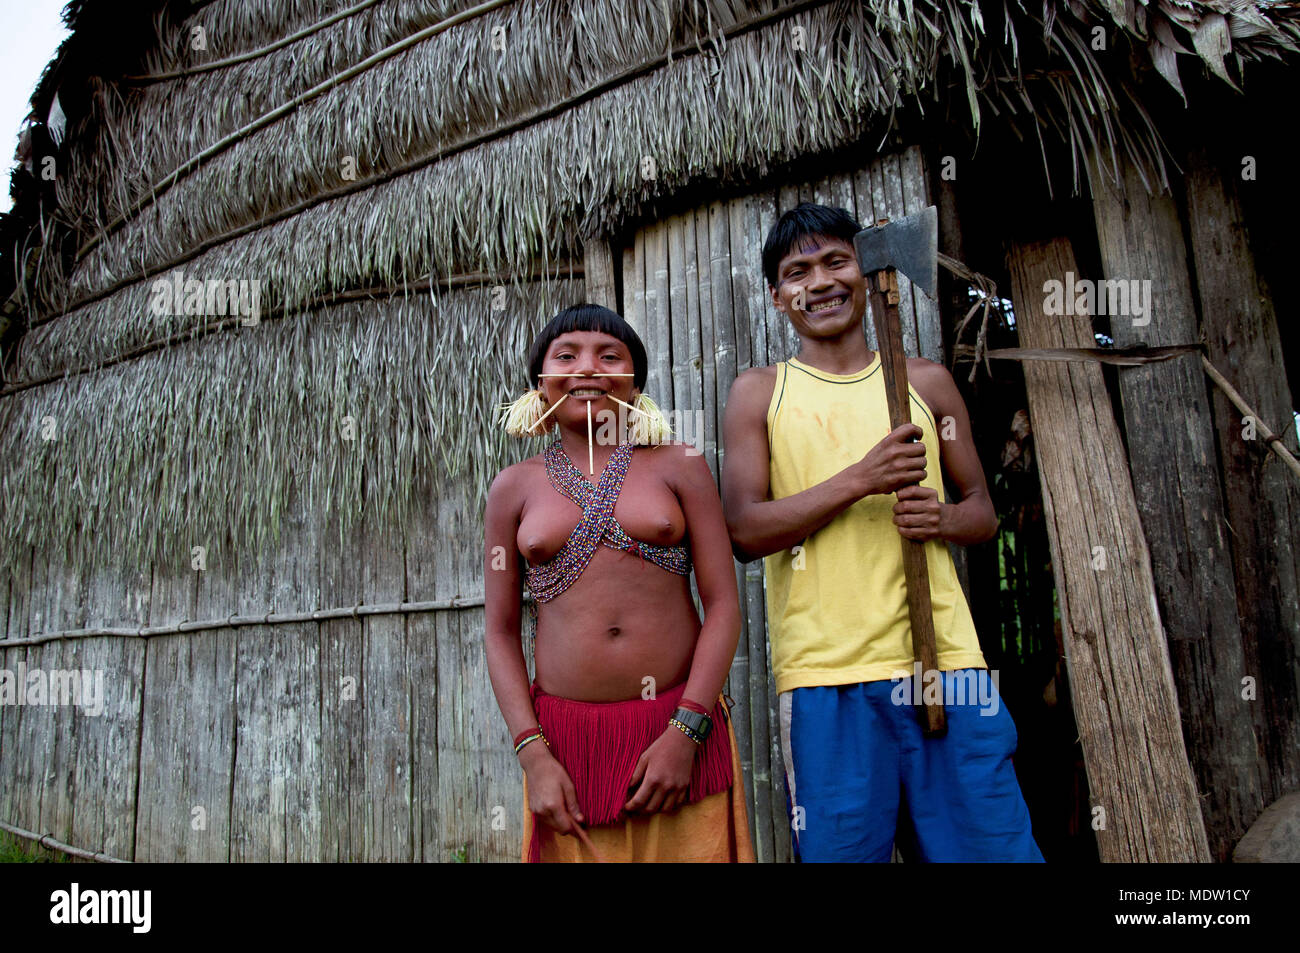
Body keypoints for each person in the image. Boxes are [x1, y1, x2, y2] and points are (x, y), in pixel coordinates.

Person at [721, 203, 1042, 862]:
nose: (821, 281)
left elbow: (981, 510)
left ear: (867, 271)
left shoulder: (924, 381)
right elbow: (746, 529)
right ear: (778, 297)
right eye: (797, 271)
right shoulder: (759, 393)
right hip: (827, 678)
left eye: (837, 260)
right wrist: (861, 477)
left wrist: (944, 517)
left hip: (943, 666)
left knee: (990, 850)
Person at [485, 302, 755, 862]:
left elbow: (724, 605)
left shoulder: (679, 465)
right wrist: (533, 754)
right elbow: (500, 630)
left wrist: (688, 731)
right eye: (568, 355)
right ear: (540, 383)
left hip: (679, 724)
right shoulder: (512, 488)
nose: (588, 367)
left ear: (635, 386)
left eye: (610, 356)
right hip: (564, 744)